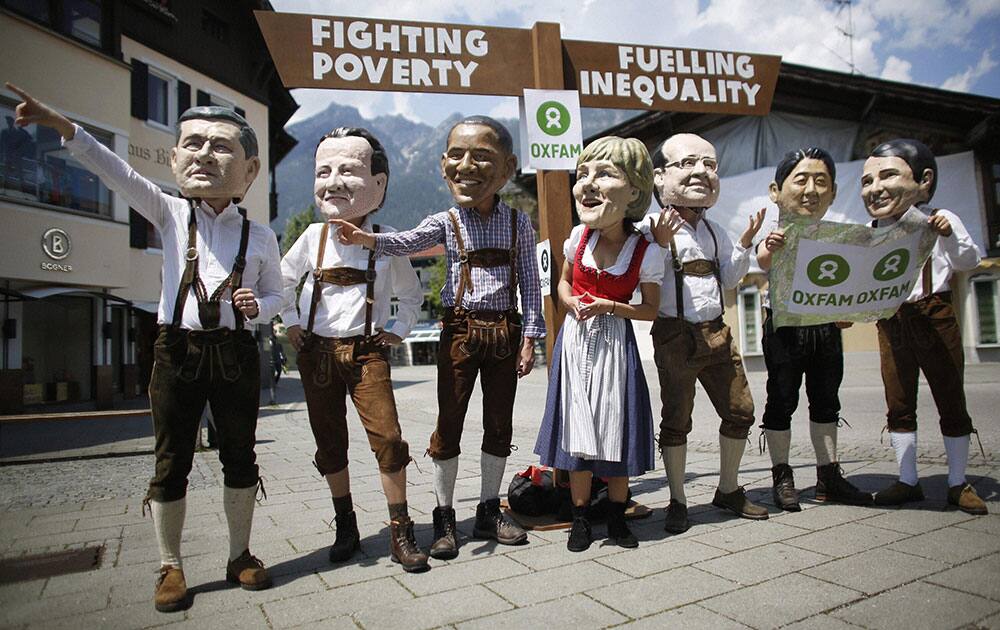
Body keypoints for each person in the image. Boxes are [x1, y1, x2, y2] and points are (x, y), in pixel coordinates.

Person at [8, 83, 282, 612]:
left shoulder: (263, 236)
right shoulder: (169, 213)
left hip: (236, 354)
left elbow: (277, 295)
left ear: (249, 170)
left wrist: (259, 308)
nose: (204, 154)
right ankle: (170, 565)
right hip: (176, 351)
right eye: (193, 143)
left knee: (241, 456)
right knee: (170, 459)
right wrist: (62, 125)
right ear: (176, 156)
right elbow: (117, 172)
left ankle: (240, 554)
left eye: (220, 145)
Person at [335, 115, 544, 559]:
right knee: (448, 424)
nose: (466, 166)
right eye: (457, 155)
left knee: (500, 425)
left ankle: (489, 509)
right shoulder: (447, 221)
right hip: (461, 333)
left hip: (505, 332)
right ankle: (444, 517)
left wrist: (530, 339)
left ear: (506, 170)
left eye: (481, 157)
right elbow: (408, 242)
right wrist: (367, 239)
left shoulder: (518, 224)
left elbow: (531, 284)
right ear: (443, 163)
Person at [280, 127, 428, 572]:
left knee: (388, 438)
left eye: (348, 170)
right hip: (318, 353)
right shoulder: (312, 238)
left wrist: (398, 330)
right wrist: (289, 324)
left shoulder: (387, 240)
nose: (334, 181)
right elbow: (282, 283)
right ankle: (346, 524)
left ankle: (400, 531)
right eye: (323, 171)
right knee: (329, 441)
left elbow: (412, 295)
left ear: (378, 185)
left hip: (367, 353)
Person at [533, 136, 679, 552]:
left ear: (634, 191)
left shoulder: (646, 251)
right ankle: (580, 520)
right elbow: (561, 283)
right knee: (578, 434)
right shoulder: (577, 238)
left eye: (604, 174)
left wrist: (609, 306)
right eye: (583, 175)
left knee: (615, 431)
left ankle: (616, 520)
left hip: (615, 344)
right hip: (575, 341)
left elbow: (650, 310)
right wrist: (569, 302)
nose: (588, 185)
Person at [646, 133, 767, 534]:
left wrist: (746, 243)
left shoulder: (715, 231)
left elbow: (729, 279)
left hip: (717, 333)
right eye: (688, 164)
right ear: (659, 178)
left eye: (710, 165)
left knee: (741, 410)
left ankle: (728, 489)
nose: (702, 172)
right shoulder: (649, 229)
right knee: (676, 419)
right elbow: (641, 282)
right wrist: (659, 246)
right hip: (674, 336)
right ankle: (678, 500)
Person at [862, 138, 986, 514]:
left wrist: (947, 234)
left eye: (887, 176)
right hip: (891, 319)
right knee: (898, 401)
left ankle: (957, 482)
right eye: (866, 181)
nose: (875, 188)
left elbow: (968, 261)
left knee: (950, 396)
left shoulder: (937, 218)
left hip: (934, 314)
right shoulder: (869, 231)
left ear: (924, 180)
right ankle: (907, 479)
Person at [755, 148, 873, 511]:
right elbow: (760, 260)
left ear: (834, 192)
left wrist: (848, 310)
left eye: (821, 181)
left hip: (826, 327)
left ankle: (829, 476)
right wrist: (768, 248)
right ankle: (782, 475)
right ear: (777, 190)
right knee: (781, 400)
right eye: (801, 179)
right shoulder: (773, 234)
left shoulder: (838, 235)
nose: (811, 189)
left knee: (826, 400)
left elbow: (850, 282)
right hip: (785, 327)